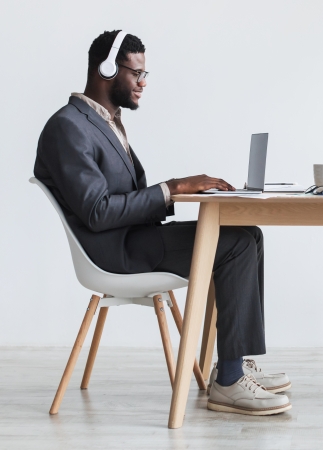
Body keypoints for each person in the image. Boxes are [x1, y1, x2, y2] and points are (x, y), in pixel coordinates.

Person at [33, 30, 291, 416]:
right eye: (135, 74)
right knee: (235, 245)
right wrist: (172, 189)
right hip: (114, 253)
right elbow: (98, 211)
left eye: (145, 74)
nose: (143, 83)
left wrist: (187, 190)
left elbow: (123, 197)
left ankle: (235, 362)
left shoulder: (106, 121)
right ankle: (230, 382)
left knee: (247, 235)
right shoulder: (68, 127)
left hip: (135, 239)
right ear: (105, 70)